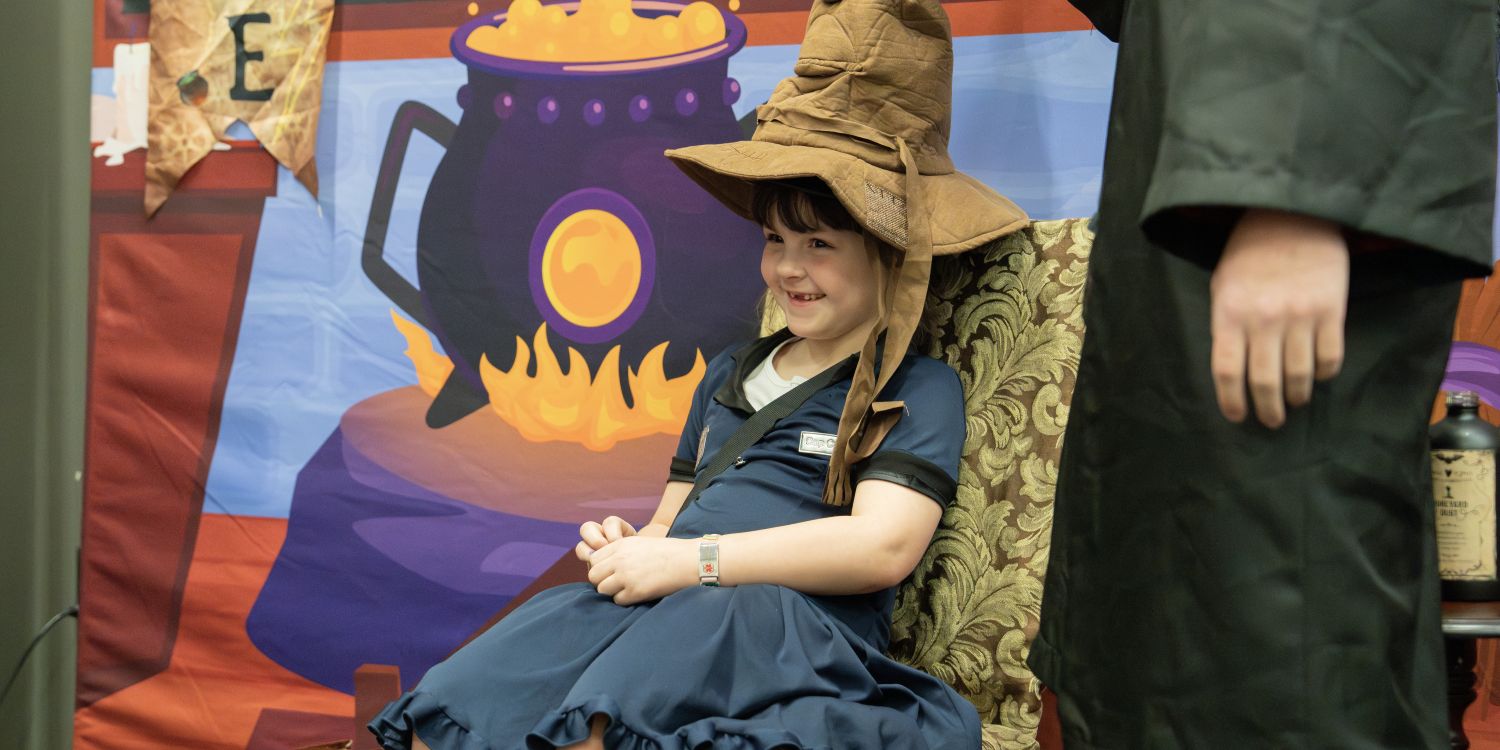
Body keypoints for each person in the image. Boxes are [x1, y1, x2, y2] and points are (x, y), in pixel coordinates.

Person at [369, 0, 1029, 746]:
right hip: (679, 598)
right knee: (458, 702)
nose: (786, 267)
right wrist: (637, 546)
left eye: (818, 244)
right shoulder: (728, 371)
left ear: (887, 250)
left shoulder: (915, 387)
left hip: (778, 622)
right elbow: (669, 521)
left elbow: (883, 549)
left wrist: (694, 562)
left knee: (602, 720)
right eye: (775, 238)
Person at [1028, 1, 1497, 747]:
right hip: (1189, 144)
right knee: (1166, 617)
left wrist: (1290, 173)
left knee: (1273, 625)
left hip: (1271, 141)